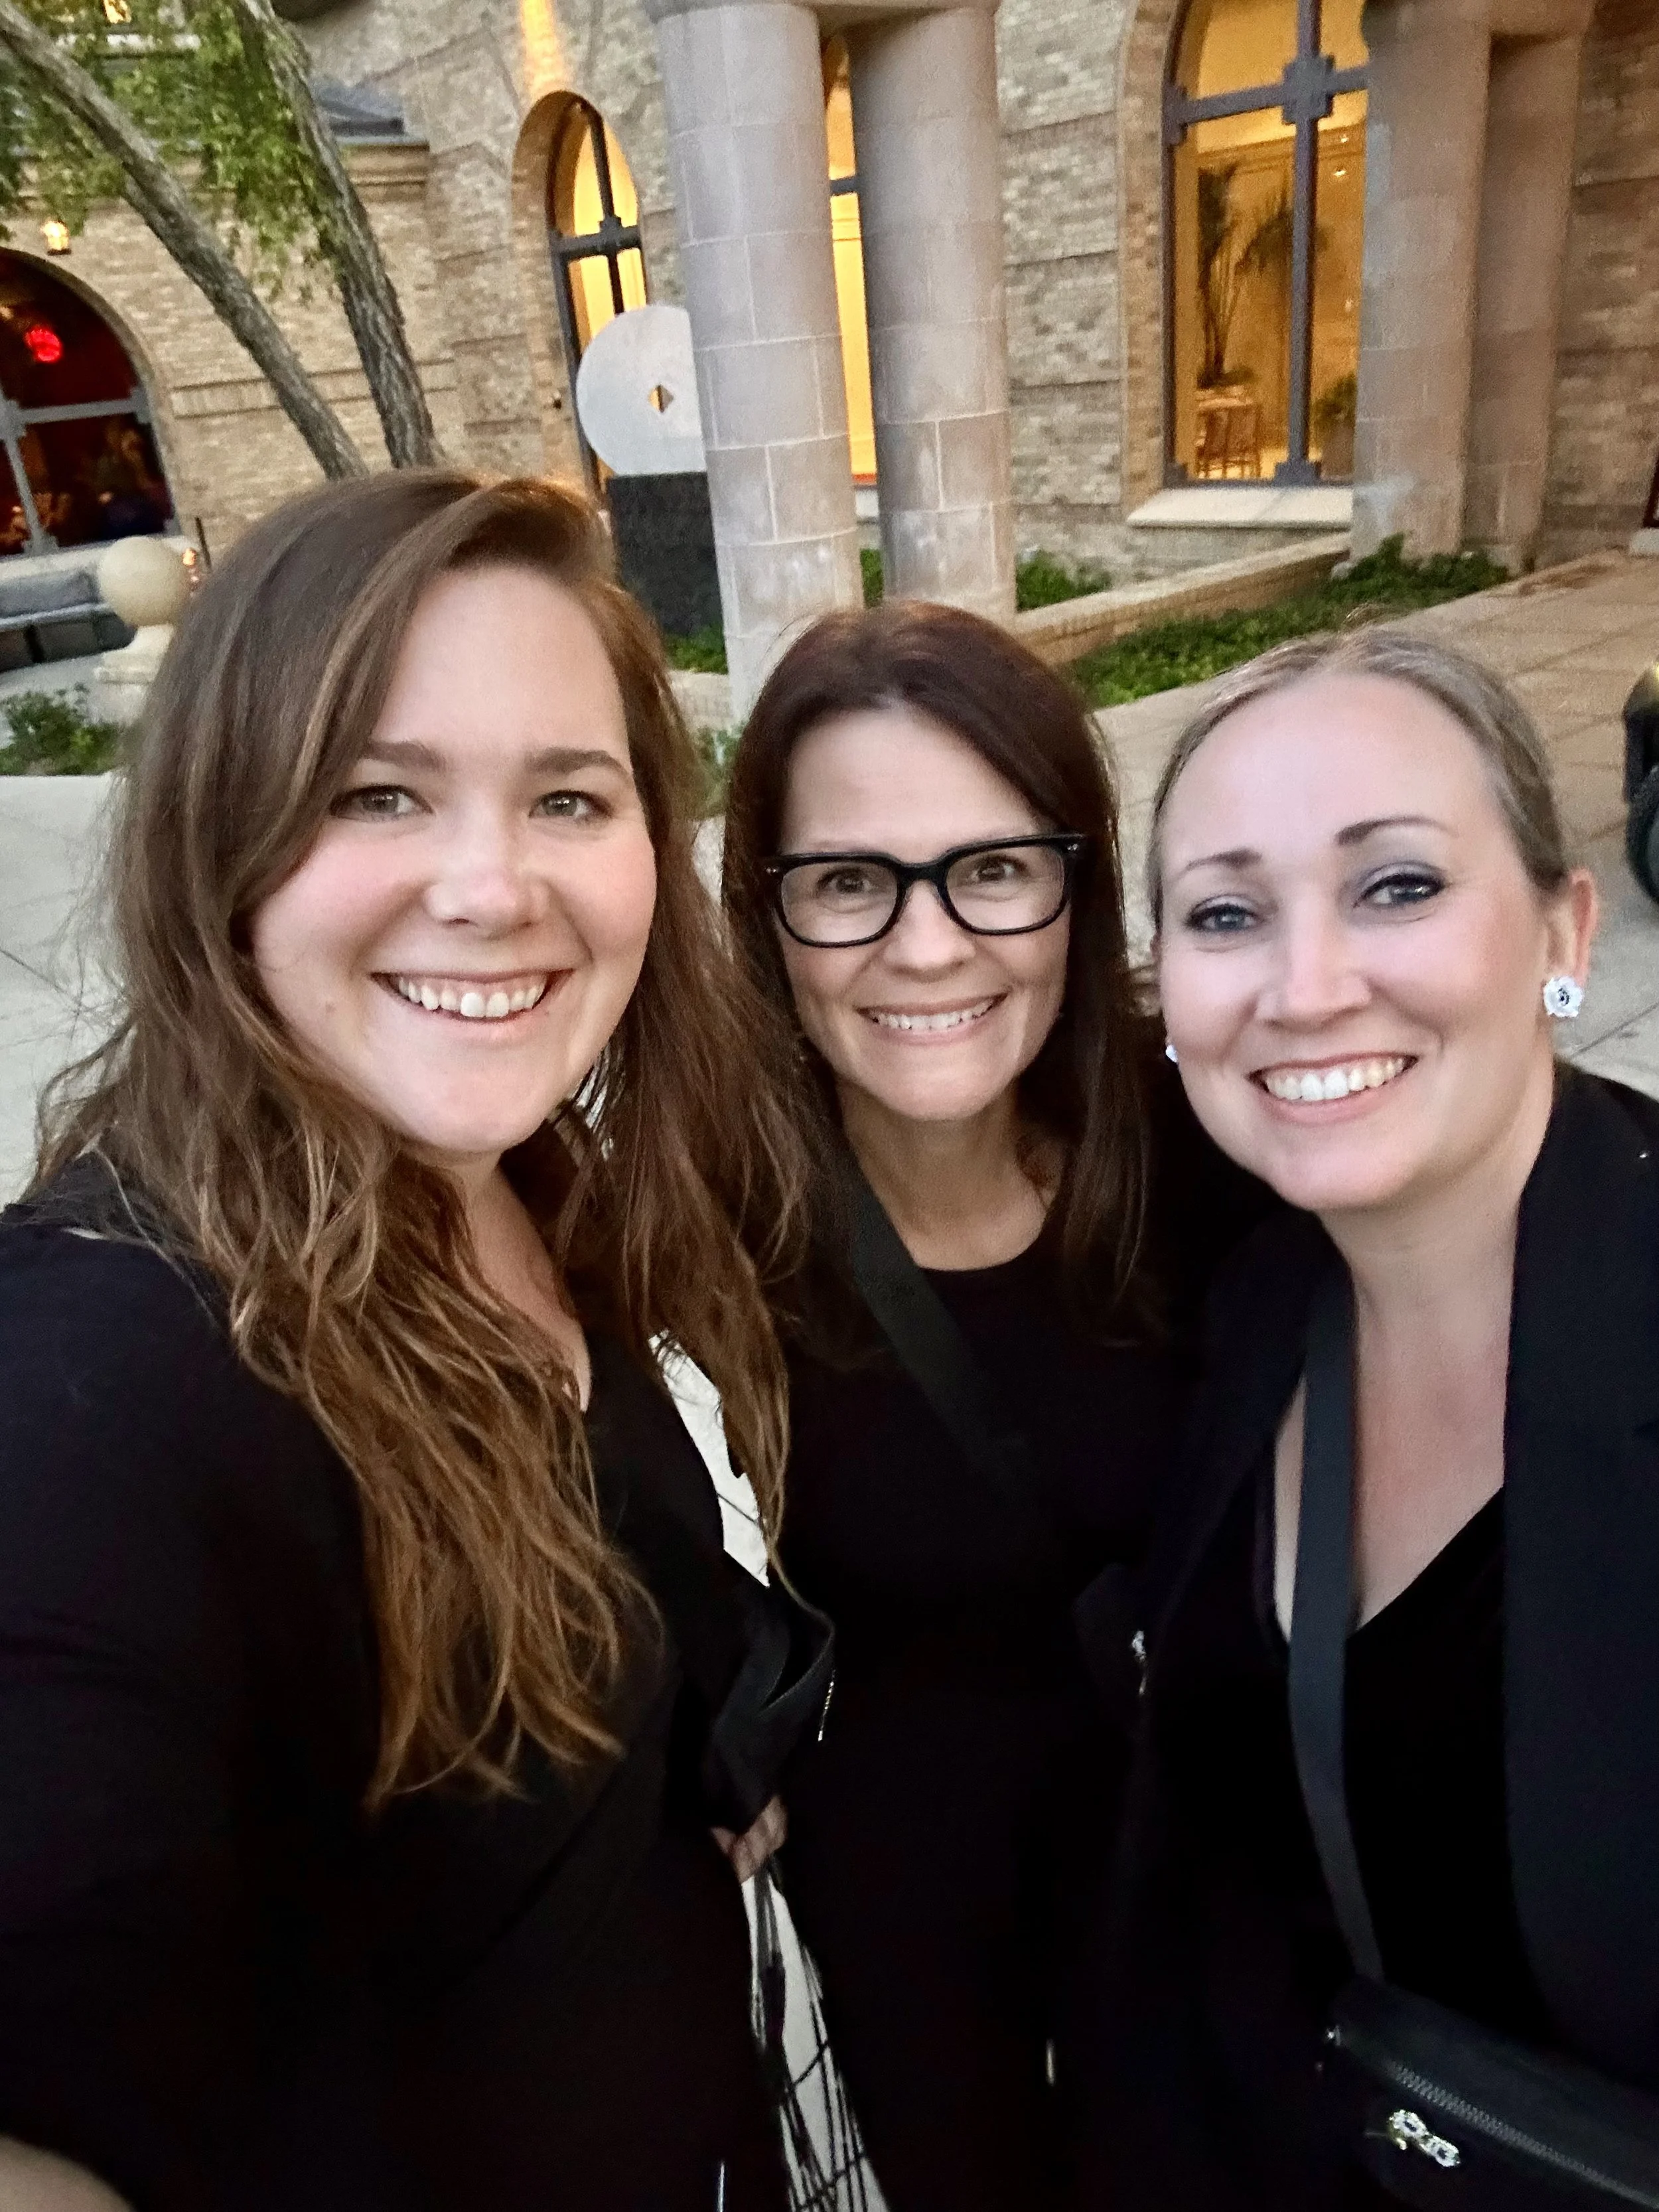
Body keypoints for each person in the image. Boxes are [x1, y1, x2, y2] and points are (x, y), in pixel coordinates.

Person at [0, 470, 812, 2212]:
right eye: (378, 793)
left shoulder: (523, 1180)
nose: (491, 885)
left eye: (568, 796)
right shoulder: (107, 1376)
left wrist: (702, 1736)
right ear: (220, 842)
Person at [1082, 625, 1659, 2210]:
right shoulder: (1261, 1301)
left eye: (1394, 885)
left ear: (1562, 925)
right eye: (1223, 913)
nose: (1306, 984)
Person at [720, 601, 1258, 2212]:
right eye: (844, 882)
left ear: (1074, 886)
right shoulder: (698, 1231)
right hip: (898, 1909)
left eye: (992, 867)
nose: (928, 943)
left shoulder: (1199, 1149)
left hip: (1184, 1860)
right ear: (769, 919)